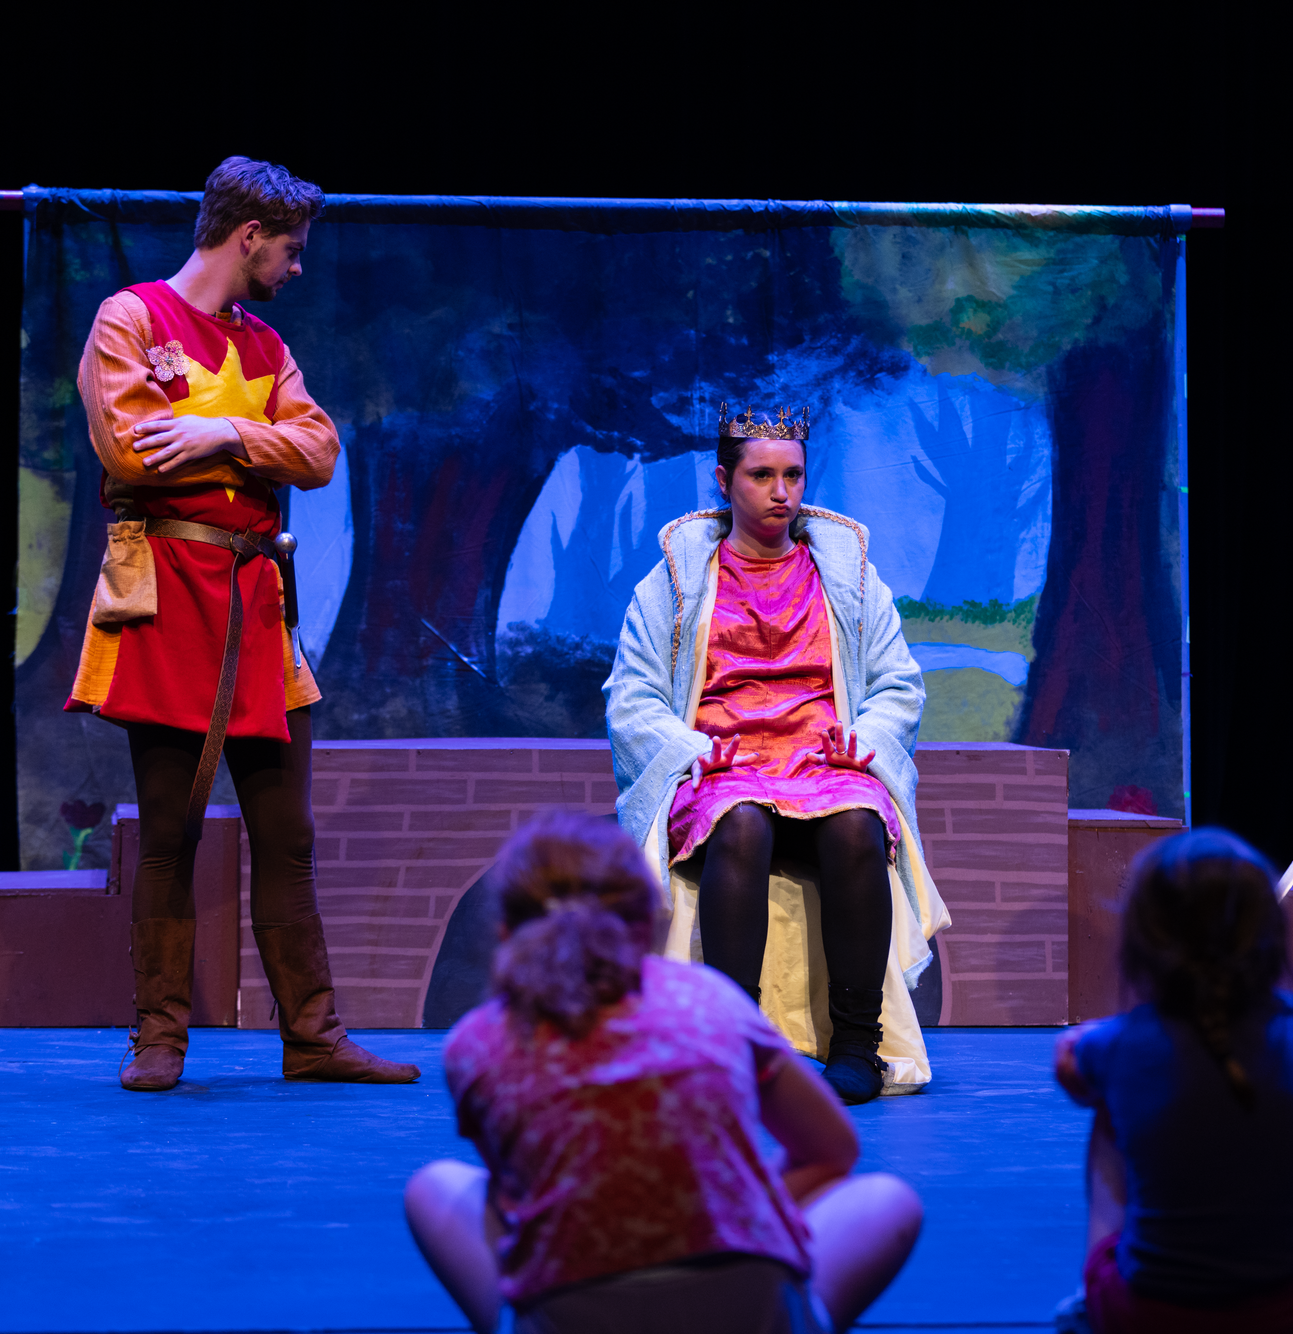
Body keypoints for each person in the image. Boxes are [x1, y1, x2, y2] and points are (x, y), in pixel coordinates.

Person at [68, 156, 416, 1092]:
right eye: (289, 250)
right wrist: (256, 451)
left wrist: (223, 434)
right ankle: (159, 1038)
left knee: (287, 835)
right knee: (171, 831)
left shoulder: (264, 346)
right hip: (169, 595)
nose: (296, 268)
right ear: (248, 236)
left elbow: (319, 449)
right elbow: (131, 450)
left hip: (258, 606)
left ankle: (313, 1038)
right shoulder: (132, 320)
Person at [405, 812, 924, 1334]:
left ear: (504, 931)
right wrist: (725, 1216)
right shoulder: (713, 1001)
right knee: (886, 1201)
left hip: (571, 1314)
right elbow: (831, 1152)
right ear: (652, 923)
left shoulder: (478, 1040)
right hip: (748, 1310)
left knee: (433, 1186)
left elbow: (515, 1196)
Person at [602, 403, 951, 1105]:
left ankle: (858, 1046)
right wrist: (686, 748)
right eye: (761, 475)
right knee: (740, 822)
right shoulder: (676, 583)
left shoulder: (848, 579)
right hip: (725, 764)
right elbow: (632, 694)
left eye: (792, 475)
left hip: (822, 763)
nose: (781, 492)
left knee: (857, 822)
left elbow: (897, 683)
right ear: (724, 480)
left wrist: (866, 739)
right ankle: (738, 1044)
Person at [1053, 829, 1293, 1334]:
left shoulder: (1120, 1044)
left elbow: (1070, 1071)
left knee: (1111, 1109)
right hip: (1290, 1312)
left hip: (1151, 1315)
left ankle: (1092, 1304)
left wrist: (1095, 1042)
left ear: (1145, 941)